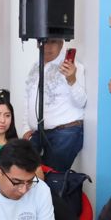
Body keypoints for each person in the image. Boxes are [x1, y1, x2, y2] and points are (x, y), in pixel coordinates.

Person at [21, 38, 85, 173]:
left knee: (51, 177)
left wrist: (72, 79)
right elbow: (28, 98)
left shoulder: (73, 67)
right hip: (38, 132)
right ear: (38, 44)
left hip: (65, 132)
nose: (48, 47)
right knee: (24, 169)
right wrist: (26, 127)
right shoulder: (35, 66)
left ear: (61, 44)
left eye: (53, 42)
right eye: (44, 42)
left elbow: (81, 102)